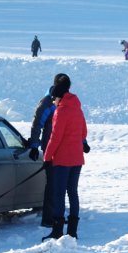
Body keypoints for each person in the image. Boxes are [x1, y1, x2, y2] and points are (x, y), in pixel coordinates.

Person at [28, 73, 80, 228]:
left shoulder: (69, 102)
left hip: (66, 150)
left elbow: (76, 125)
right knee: (54, 186)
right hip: (52, 150)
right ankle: (50, 220)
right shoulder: (48, 102)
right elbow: (37, 124)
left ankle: (60, 219)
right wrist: (34, 145)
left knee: (65, 188)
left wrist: (82, 141)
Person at [42, 75, 88, 241]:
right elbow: (84, 132)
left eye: (54, 98)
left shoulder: (61, 111)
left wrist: (47, 157)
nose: (53, 101)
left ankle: (57, 230)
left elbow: (55, 137)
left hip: (62, 160)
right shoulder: (77, 108)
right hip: (77, 159)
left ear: (58, 96)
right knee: (73, 193)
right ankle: (73, 231)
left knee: (59, 194)